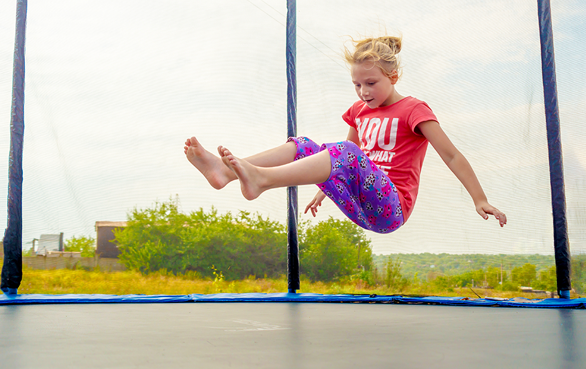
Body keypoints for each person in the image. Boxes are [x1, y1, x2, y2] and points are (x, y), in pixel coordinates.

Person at [184, 35, 506, 234]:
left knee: (344, 151)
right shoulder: (359, 111)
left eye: (371, 83)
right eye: (357, 85)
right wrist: (326, 190)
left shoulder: (413, 110)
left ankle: (260, 179)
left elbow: (451, 155)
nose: (363, 92)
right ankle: (225, 172)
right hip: (359, 204)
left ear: (393, 76)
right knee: (305, 145)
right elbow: (339, 162)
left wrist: (480, 198)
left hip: (391, 208)